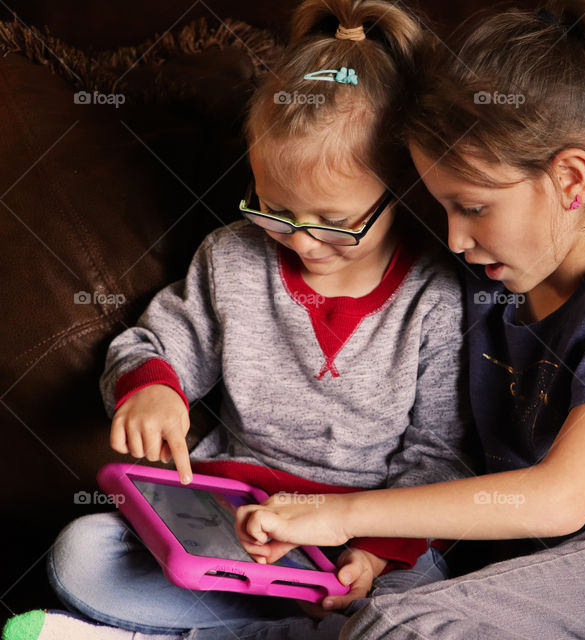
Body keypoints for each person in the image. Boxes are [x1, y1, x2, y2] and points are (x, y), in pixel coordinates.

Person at [232, 1, 585, 639]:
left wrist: (340, 514)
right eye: (441, 207)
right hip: (543, 563)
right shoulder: (482, 278)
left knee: (403, 627)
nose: (455, 237)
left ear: (571, 179)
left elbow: (561, 497)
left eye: (472, 207)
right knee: (348, 615)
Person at [1, 1, 476, 639]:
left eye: (335, 223)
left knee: (428, 603)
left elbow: (439, 454)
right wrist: (153, 388)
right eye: (275, 210)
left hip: (357, 535)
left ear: (407, 188)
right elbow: (153, 341)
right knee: (81, 553)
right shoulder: (231, 258)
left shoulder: (436, 298)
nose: (303, 243)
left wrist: (370, 553)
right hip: (228, 512)